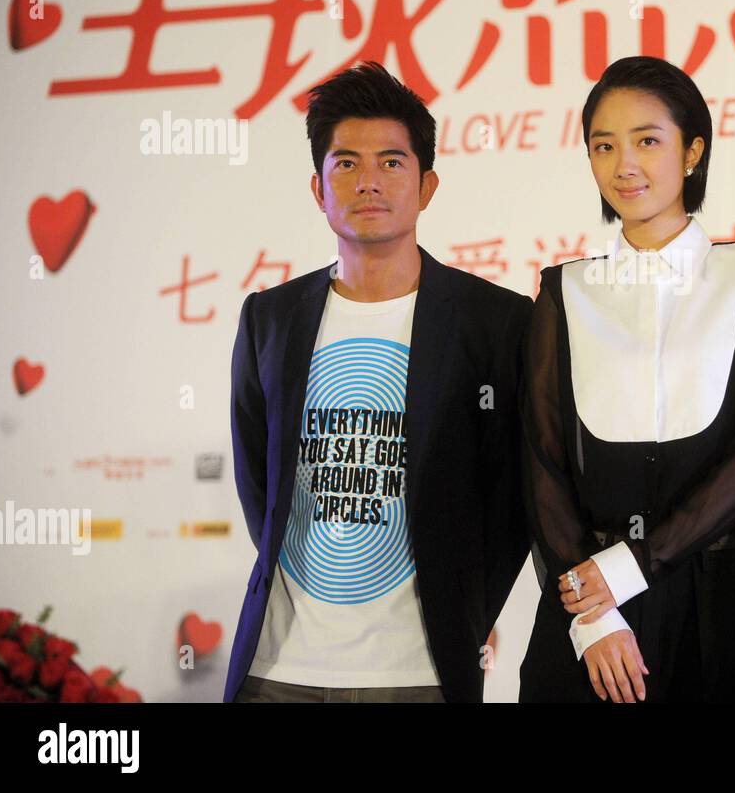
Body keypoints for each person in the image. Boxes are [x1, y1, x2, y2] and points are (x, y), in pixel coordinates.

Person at [223, 61, 532, 703]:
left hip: (420, 674)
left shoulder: (495, 321)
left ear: (427, 186)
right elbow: (262, 483)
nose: (369, 182)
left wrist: (465, 615)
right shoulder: (269, 319)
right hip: (278, 670)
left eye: (392, 162)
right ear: (318, 188)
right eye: (347, 164)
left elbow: (512, 499)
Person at [518, 55, 735, 703]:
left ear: (692, 150)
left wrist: (629, 568)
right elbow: (542, 466)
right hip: (589, 614)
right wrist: (595, 615)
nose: (625, 165)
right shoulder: (565, 291)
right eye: (603, 145)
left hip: (715, 608)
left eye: (647, 140)